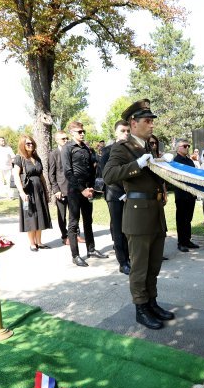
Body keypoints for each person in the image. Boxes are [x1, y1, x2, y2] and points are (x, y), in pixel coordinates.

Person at [102, 99, 174, 330]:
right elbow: (109, 175)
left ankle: (151, 302)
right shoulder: (122, 148)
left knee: (154, 265)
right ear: (133, 123)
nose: (152, 125)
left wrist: (164, 163)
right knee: (140, 266)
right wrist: (137, 164)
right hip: (138, 214)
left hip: (155, 213)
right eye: (147, 121)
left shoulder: (148, 148)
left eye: (152, 121)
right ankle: (141, 309)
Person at [62, 120, 108, 266]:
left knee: (88, 220)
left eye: (83, 131)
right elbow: (68, 172)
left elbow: (93, 168)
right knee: (73, 223)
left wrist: (92, 187)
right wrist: (81, 189)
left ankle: (91, 249)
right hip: (75, 190)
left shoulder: (87, 148)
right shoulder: (67, 148)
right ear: (72, 133)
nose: (82, 134)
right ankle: (75, 255)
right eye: (79, 132)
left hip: (88, 189)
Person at [100, 121, 131, 275]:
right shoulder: (107, 151)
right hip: (115, 194)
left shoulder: (133, 150)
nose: (126, 133)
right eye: (123, 130)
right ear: (116, 133)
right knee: (118, 229)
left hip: (131, 195)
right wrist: (123, 194)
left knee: (129, 228)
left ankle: (130, 257)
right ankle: (123, 262)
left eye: (128, 130)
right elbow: (107, 176)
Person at [13, 135, 52, 251]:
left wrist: (46, 191)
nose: (31, 145)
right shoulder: (19, 158)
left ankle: (39, 242)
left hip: (39, 190)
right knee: (31, 217)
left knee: (40, 215)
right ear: (22, 145)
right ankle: (32, 243)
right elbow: (16, 176)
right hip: (28, 191)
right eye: (28, 143)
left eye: (32, 143)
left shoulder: (37, 157)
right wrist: (21, 192)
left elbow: (41, 176)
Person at [47, 131, 74, 245]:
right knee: (62, 215)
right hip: (61, 190)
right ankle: (65, 236)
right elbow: (51, 174)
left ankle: (74, 235)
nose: (66, 140)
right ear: (57, 140)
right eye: (63, 139)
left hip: (73, 188)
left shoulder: (71, 151)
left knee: (74, 214)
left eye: (67, 138)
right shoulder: (53, 154)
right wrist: (56, 190)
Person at [173, 140, 199, 252]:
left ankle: (187, 240)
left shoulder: (189, 161)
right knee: (181, 219)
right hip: (181, 194)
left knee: (188, 219)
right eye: (184, 146)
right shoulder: (175, 161)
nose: (187, 147)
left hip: (190, 194)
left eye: (188, 146)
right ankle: (181, 242)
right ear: (178, 148)